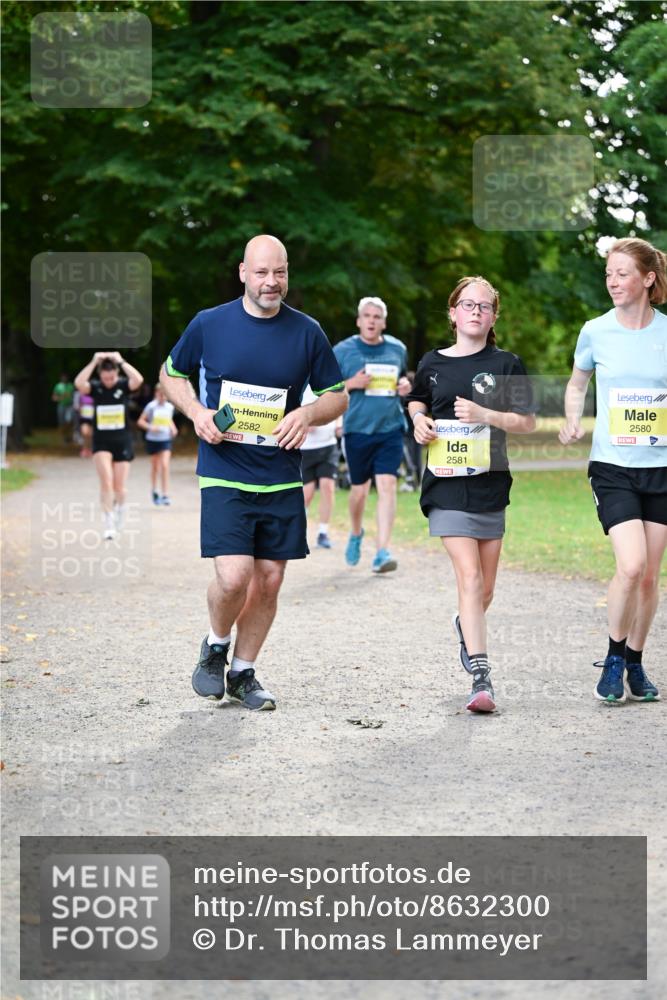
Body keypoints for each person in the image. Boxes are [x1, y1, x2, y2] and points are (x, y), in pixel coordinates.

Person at [160, 234, 347, 711]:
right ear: (243, 272)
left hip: (281, 473)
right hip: (224, 469)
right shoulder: (209, 324)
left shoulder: (307, 331)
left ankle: (243, 672)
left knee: (268, 580)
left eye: (279, 272)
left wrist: (306, 415)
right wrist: (198, 413)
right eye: (261, 272)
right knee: (234, 577)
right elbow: (170, 374)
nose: (271, 282)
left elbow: (338, 395)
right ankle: (215, 643)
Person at [407, 276, 536, 713]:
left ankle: (466, 623)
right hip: (445, 486)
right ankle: (482, 677)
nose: (475, 311)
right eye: (467, 304)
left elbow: (527, 422)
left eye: (484, 306)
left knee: (485, 590)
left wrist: (485, 413)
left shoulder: (506, 363)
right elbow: (418, 400)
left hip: (489, 485)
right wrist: (417, 420)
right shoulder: (432, 361)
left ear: (494, 316)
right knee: (471, 577)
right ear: (453, 312)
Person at [559, 237, 667, 704]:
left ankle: (637, 664)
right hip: (613, 466)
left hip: (661, 465)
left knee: (650, 575)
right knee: (631, 564)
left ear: (647, 278)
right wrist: (571, 417)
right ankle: (614, 657)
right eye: (608, 274)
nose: (613, 281)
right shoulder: (595, 331)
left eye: (622, 273)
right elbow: (578, 381)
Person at [333, 297, 410, 573]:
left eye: (377, 316)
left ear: (384, 322)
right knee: (359, 492)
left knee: (388, 485)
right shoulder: (343, 351)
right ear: (358, 321)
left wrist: (405, 385)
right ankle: (356, 533)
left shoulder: (397, 349)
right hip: (356, 430)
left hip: (390, 428)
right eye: (367, 316)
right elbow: (325, 389)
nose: (372, 320)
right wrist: (351, 383)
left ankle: (382, 551)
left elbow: (402, 378)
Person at [74, 352, 144, 540]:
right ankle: (108, 522)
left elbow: (138, 380)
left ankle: (121, 509)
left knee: (119, 486)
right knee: (106, 482)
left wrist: (120, 360)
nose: (109, 381)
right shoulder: (96, 388)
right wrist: (93, 361)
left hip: (122, 440)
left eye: (112, 377)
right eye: (105, 378)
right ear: (100, 376)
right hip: (101, 442)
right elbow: (79, 384)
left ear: (116, 374)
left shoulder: (122, 385)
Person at [300, 384, 339, 548]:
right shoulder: (298, 381)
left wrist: (338, 425)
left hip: (328, 445)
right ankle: (297, 529)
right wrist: (305, 423)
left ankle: (323, 532)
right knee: (306, 494)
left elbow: (338, 404)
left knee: (328, 487)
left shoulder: (329, 379)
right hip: (306, 448)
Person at [137, 384, 178, 505]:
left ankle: (165, 494)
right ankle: (155, 490)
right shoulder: (151, 406)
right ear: (156, 393)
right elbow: (140, 421)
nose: (163, 397)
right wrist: (150, 427)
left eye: (165, 395)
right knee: (155, 467)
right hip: (153, 440)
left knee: (165, 465)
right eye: (161, 394)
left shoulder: (170, 407)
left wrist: (173, 428)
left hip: (165, 439)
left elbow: (168, 419)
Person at [51, 373, 74, 443]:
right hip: (61, 406)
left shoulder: (71, 386)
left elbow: (74, 395)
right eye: (63, 377)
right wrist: (61, 397)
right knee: (62, 422)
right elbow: (54, 397)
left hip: (70, 406)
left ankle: (69, 436)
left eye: (65, 377)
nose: (64, 378)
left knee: (69, 421)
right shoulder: (58, 386)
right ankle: (64, 437)